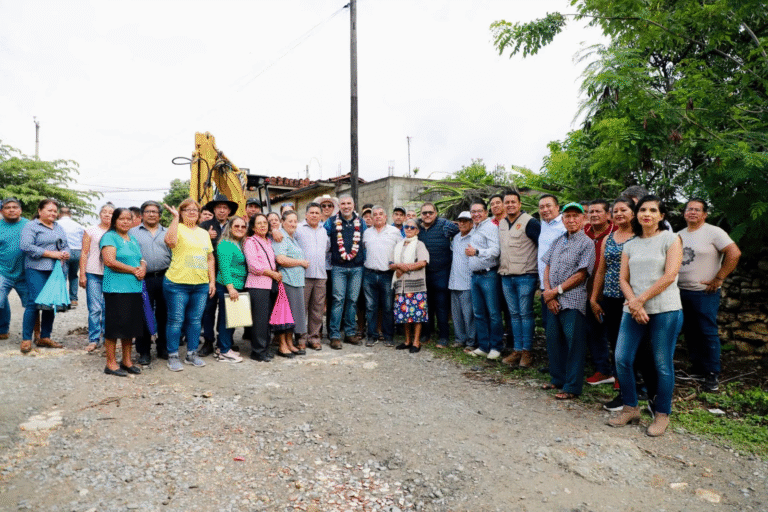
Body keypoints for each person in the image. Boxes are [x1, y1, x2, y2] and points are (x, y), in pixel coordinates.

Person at [608, 196, 683, 437]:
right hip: (633, 309)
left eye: (653, 210)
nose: (646, 214)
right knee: (622, 358)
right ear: (636, 215)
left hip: (665, 309)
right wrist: (634, 303)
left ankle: (662, 414)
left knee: (662, 363)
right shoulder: (631, 244)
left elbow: (670, 275)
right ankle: (631, 408)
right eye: (642, 209)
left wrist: (640, 300)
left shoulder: (671, 239)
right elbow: (622, 278)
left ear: (661, 216)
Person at [677, 198, 740, 392]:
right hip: (679, 291)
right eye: (689, 209)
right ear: (684, 213)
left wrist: (719, 277)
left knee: (707, 331)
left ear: (704, 214)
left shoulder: (714, 232)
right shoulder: (678, 235)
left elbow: (734, 253)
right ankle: (697, 368)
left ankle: (712, 373)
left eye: (697, 210)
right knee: (690, 331)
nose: (693, 212)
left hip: (704, 292)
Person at [540, 202, 595, 400]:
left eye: (575, 216)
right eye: (568, 216)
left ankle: (572, 386)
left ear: (583, 219)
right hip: (552, 298)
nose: (571, 220)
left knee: (574, 344)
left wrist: (556, 291)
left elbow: (581, 274)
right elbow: (547, 266)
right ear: (562, 219)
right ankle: (558, 379)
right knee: (553, 340)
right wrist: (548, 292)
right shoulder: (558, 240)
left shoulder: (587, 243)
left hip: (572, 300)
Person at [590, 197, 637, 411]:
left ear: (633, 212)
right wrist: (594, 298)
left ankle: (635, 389)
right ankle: (621, 388)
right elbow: (601, 270)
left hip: (633, 298)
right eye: (615, 211)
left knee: (632, 345)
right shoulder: (610, 238)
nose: (619, 214)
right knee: (616, 343)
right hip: (610, 297)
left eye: (623, 210)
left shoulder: (641, 237)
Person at [162, 199, 216, 371]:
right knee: (176, 320)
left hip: (200, 284)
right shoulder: (178, 228)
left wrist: (212, 281)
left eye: (195, 209)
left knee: (195, 321)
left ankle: (192, 353)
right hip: (177, 283)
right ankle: (173, 355)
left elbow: (210, 258)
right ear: (181, 212)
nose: (192, 212)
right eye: (187, 209)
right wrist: (175, 218)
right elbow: (170, 242)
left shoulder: (203, 233)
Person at [19, 199, 70, 353]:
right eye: (49, 210)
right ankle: (26, 339)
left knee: (50, 303)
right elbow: (26, 246)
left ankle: (45, 337)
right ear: (40, 211)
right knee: (34, 303)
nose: (53, 213)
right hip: (36, 268)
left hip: (55, 270)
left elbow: (65, 244)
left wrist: (65, 252)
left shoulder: (59, 227)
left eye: (55, 211)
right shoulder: (31, 226)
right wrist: (51, 254)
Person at [100, 208, 146, 377]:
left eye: (129, 219)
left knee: (130, 327)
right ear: (115, 220)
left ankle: (127, 361)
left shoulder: (132, 238)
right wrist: (134, 270)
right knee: (114, 326)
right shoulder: (109, 237)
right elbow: (110, 261)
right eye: (122, 219)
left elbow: (141, 259)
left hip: (134, 288)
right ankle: (110, 363)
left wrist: (142, 268)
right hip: (116, 289)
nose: (125, 221)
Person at [498, 191, 541, 368]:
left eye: (513, 202)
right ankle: (517, 350)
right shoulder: (502, 223)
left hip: (525, 276)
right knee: (514, 315)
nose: (510, 205)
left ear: (520, 204)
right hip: (507, 276)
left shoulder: (530, 222)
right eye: (506, 202)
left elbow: (542, 246)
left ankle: (527, 352)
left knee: (525, 314)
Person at [129, 200, 172, 365]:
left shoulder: (168, 232)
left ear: (160, 215)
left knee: (165, 315)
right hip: (141, 278)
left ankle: (163, 348)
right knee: (143, 315)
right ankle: (144, 351)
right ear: (142, 215)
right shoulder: (132, 233)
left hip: (164, 277)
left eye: (155, 211)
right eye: (148, 211)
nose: (152, 214)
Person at [324, 195, 367, 349]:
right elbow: (323, 240)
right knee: (337, 300)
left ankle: (349, 333)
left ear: (354, 204)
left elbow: (365, 243)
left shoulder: (361, 222)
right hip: (338, 268)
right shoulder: (331, 222)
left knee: (352, 300)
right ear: (339, 206)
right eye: (343, 203)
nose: (346, 206)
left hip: (357, 268)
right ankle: (334, 335)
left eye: (349, 203)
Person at [198, 194, 238, 357]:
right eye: (219, 207)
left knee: (229, 309)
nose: (222, 210)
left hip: (230, 275)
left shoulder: (236, 225)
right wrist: (207, 237)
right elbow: (198, 248)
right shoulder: (204, 226)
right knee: (208, 309)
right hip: (210, 274)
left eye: (225, 208)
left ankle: (226, 340)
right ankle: (208, 340)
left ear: (229, 211)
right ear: (214, 209)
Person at [583, 199, 617, 385]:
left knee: (615, 334)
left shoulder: (616, 233)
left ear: (607, 214)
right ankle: (602, 370)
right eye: (591, 212)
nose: (594, 215)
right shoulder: (584, 233)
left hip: (611, 291)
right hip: (588, 291)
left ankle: (621, 375)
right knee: (594, 331)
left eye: (598, 211)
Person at [465, 200, 503, 360]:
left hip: (488, 275)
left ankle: (496, 347)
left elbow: (496, 251)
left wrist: (477, 252)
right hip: (476, 276)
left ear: (486, 212)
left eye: (479, 211)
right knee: (479, 313)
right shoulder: (475, 228)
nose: (476, 214)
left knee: (493, 313)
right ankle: (483, 346)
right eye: (473, 212)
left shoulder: (491, 227)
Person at [417, 202, 458, 346]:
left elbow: (463, 232)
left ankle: (444, 336)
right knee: (425, 305)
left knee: (441, 306)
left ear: (436, 213)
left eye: (430, 212)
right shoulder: (417, 227)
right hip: (423, 273)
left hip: (442, 271)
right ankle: (426, 333)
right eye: (424, 213)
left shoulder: (446, 225)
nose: (427, 215)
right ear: (420, 215)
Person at [243, 213, 281, 362]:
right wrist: (272, 273)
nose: (263, 225)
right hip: (257, 285)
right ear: (253, 227)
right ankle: (258, 351)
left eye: (265, 223)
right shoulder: (250, 241)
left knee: (267, 319)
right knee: (259, 320)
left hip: (270, 284)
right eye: (259, 223)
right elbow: (253, 266)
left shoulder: (268, 241)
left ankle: (264, 349)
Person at [362, 206, 401, 347]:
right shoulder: (366, 233)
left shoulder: (395, 232)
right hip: (369, 274)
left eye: (380, 214)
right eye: (375, 215)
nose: (378, 216)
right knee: (371, 307)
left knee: (388, 307)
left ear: (385, 217)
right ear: (371, 218)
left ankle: (388, 336)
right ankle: (371, 336)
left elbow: (401, 250)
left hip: (387, 275)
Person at [390, 218, 430, 352]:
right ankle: (407, 340)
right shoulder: (398, 245)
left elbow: (423, 262)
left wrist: (405, 268)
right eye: (406, 227)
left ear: (417, 230)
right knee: (405, 315)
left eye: (412, 227)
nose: (408, 229)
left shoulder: (419, 245)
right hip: (401, 286)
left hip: (416, 286)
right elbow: (391, 264)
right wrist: (398, 267)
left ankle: (416, 342)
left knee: (417, 315)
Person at [79, 203, 114, 353]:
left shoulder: (116, 232)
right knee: (94, 308)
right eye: (104, 212)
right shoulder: (90, 230)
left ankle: (108, 337)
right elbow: (84, 252)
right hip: (93, 273)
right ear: (100, 214)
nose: (107, 215)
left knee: (109, 307)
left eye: (111, 212)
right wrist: (82, 273)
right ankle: (94, 339)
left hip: (112, 273)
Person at [294, 202, 330, 351]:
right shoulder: (298, 229)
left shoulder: (323, 231)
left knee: (318, 309)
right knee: (302, 309)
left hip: (321, 275)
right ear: (306, 215)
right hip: (303, 275)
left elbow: (327, 249)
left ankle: (314, 338)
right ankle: (301, 339)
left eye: (317, 213)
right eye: (312, 212)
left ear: (321, 215)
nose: (315, 215)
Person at [273, 210, 308, 357]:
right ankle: (283, 345)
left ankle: (289, 342)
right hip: (287, 281)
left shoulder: (291, 238)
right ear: (283, 222)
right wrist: (301, 262)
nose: (293, 224)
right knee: (285, 315)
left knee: (293, 315)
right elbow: (280, 259)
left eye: (295, 221)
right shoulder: (281, 238)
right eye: (290, 221)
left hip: (296, 282)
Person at [213, 218, 248, 363]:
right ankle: (224, 351)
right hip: (228, 286)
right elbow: (224, 268)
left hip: (237, 285)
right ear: (230, 227)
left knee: (231, 319)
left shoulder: (238, 243)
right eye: (236, 226)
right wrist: (230, 287)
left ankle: (222, 347)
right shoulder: (225, 244)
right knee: (227, 320)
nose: (240, 228)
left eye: (243, 226)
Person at [0, 198, 29, 341]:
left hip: (26, 274)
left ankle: (31, 336)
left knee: (31, 305)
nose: (11, 210)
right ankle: (2, 329)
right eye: (7, 207)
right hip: (3, 272)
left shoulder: (29, 226)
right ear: (1, 211)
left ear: (20, 210)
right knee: (0, 299)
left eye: (14, 207)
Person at [537, 194, 566, 335]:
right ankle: (554, 356)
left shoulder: (565, 225)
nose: (545, 209)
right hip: (545, 285)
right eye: (541, 207)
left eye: (548, 206)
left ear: (557, 207)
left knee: (564, 326)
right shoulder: (542, 225)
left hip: (561, 286)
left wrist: (554, 292)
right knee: (549, 325)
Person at [448, 211, 475, 350]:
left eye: (466, 221)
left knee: (468, 315)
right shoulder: (456, 238)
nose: (462, 223)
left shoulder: (474, 237)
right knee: (457, 315)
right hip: (454, 281)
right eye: (460, 221)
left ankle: (471, 342)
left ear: (472, 222)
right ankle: (459, 339)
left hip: (467, 282)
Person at [56, 206, 84, 307]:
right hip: (77, 251)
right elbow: (82, 239)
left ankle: (62, 300)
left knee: (62, 275)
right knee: (73, 275)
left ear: (59, 214)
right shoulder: (78, 225)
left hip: (63, 252)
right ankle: (74, 299)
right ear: (70, 215)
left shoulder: (57, 224)